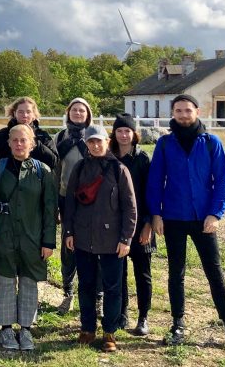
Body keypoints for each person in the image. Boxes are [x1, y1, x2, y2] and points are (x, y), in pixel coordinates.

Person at [147, 94, 225, 353]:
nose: (183, 115)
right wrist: (156, 214)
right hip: (173, 217)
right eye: (178, 111)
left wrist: (215, 214)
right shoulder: (164, 144)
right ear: (173, 113)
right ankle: (177, 325)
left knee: (214, 273)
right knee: (176, 273)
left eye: (188, 110)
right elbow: (155, 181)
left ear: (197, 111)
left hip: (203, 219)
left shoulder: (211, 143)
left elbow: (222, 182)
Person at [0, 124, 57, 352]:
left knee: (29, 282)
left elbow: (50, 209)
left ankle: (26, 329)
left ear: (32, 143)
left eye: (24, 140)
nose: (19, 144)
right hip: (4, 235)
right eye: (15, 140)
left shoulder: (42, 171)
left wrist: (48, 241)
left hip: (33, 237)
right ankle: (6, 329)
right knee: (6, 281)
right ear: (9, 143)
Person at [64, 125, 137, 353]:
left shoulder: (119, 169)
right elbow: (70, 204)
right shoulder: (79, 168)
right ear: (86, 144)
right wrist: (69, 232)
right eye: (91, 142)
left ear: (107, 141)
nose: (95, 146)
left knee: (112, 288)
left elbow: (130, 207)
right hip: (83, 237)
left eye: (99, 141)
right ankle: (87, 328)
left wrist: (126, 238)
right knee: (86, 285)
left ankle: (109, 332)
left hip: (112, 240)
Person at [109, 113, 154, 336]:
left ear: (134, 134)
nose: (123, 135)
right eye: (119, 131)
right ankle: (122, 314)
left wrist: (148, 224)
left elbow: (151, 193)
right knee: (119, 272)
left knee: (142, 273)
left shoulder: (143, 159)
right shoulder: (109, 158)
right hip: (116, 225)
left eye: (127, 131)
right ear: (114, 134)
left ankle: (143, 317)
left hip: (141, 224)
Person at [54, 97, 99, 315]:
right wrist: (54, 202)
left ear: (88, 114)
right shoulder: (60, 137)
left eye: (82, 110)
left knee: (94, 245)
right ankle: (68, 292)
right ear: (68, 112)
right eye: (74, 110)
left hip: (91, 200)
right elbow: (55, 169)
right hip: (66, 198)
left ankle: (95, 295)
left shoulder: (94, 135)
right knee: (68, 244)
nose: (78, 113)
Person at [0, 97, 58, 168]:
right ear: (14, 113)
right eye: (20, 112)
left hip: (35, 174)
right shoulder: (3, 134)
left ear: (34, 114)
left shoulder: (42, 136)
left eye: (28, 112)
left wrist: (34, 140)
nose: (25, 115)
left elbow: (53, 162)